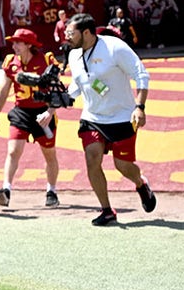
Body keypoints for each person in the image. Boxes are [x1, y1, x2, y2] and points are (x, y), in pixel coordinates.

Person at [63, 13, 157, 226]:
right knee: (92, 158)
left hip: (122, 116)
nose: (67, 37)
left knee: (123, 166)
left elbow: (141, 74)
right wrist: (60, 100)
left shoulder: (115, 47)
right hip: (92, 117)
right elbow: (79, 84)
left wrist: (139, 107)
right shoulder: (73, 55)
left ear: (86, 32)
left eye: (71, 33)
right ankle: (107, 210)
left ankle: (141, 184)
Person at [0, 29, 62, 208]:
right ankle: (6, 190)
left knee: (49, 154)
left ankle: (51, 191)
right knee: (13, 151)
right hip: (21, 111)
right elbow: (4, 90)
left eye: (18, 42)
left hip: (43, 112)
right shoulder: (10, 62)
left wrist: (51, 112)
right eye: (13, 42)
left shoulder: (46, 60)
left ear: (29, 45)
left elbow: (57, 90)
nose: (14, 46)